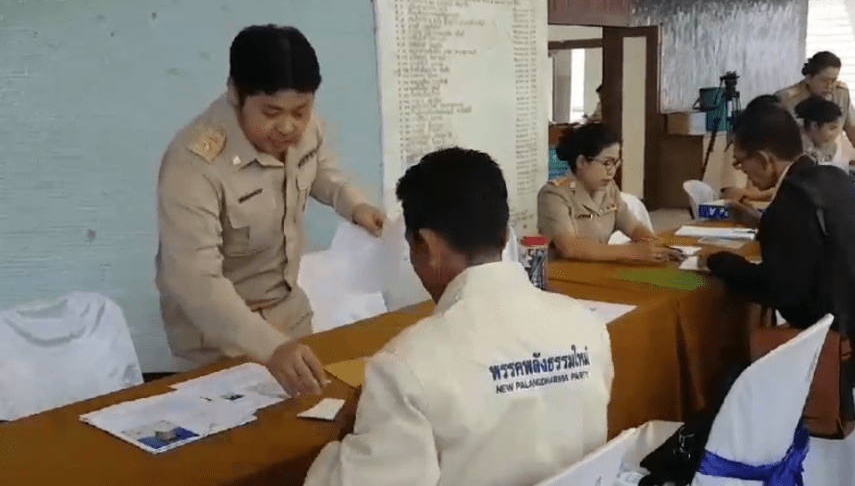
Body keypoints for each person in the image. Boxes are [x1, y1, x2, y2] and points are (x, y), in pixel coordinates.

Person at [304, 148, 614, 486]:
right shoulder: (587, 326)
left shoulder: (405, 365)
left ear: (427, 246)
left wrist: (350, 432)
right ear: (503, 235)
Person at [156, 25, 385, 396]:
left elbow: (318, 167)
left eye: (301, 111)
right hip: (217, 337)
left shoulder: (307, 129)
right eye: (272, 112)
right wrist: (269, 348)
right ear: (236, 94)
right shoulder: (194, 164)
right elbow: (195, 279)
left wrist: (353, 204)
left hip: (288, 312)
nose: (288, 127)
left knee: (313, 411)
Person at [704, 98, 855, 387]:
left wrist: (721, 262)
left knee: (730, 379)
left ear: (764, 159)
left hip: (852, 352)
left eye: (741, 161)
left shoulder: (791, 202)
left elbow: (783, 292)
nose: (742, 170)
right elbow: (824, 242)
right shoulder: (834, 178)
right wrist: (763, 224)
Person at [538, 122, 675, 262]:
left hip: (597, 267)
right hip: (562, 271)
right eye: (607, 163)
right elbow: (569, 247)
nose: (612, 171)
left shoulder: (609, 189)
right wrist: (634, 252)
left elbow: (633, 227)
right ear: (581, 162)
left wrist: (653, 244)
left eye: (616, 163)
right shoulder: (554, 194)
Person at [777, 51, 855, 153]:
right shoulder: (787, 99)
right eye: (824, 81)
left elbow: (853, 127)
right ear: (808, 78)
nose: (829, 86)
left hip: (828, 157)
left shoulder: (840, 94)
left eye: (833, 80)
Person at [796, 96, 846, 164]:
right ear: (814, 126)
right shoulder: (795, 147)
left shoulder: (831, 148)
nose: (835, 135)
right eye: (832, 128)